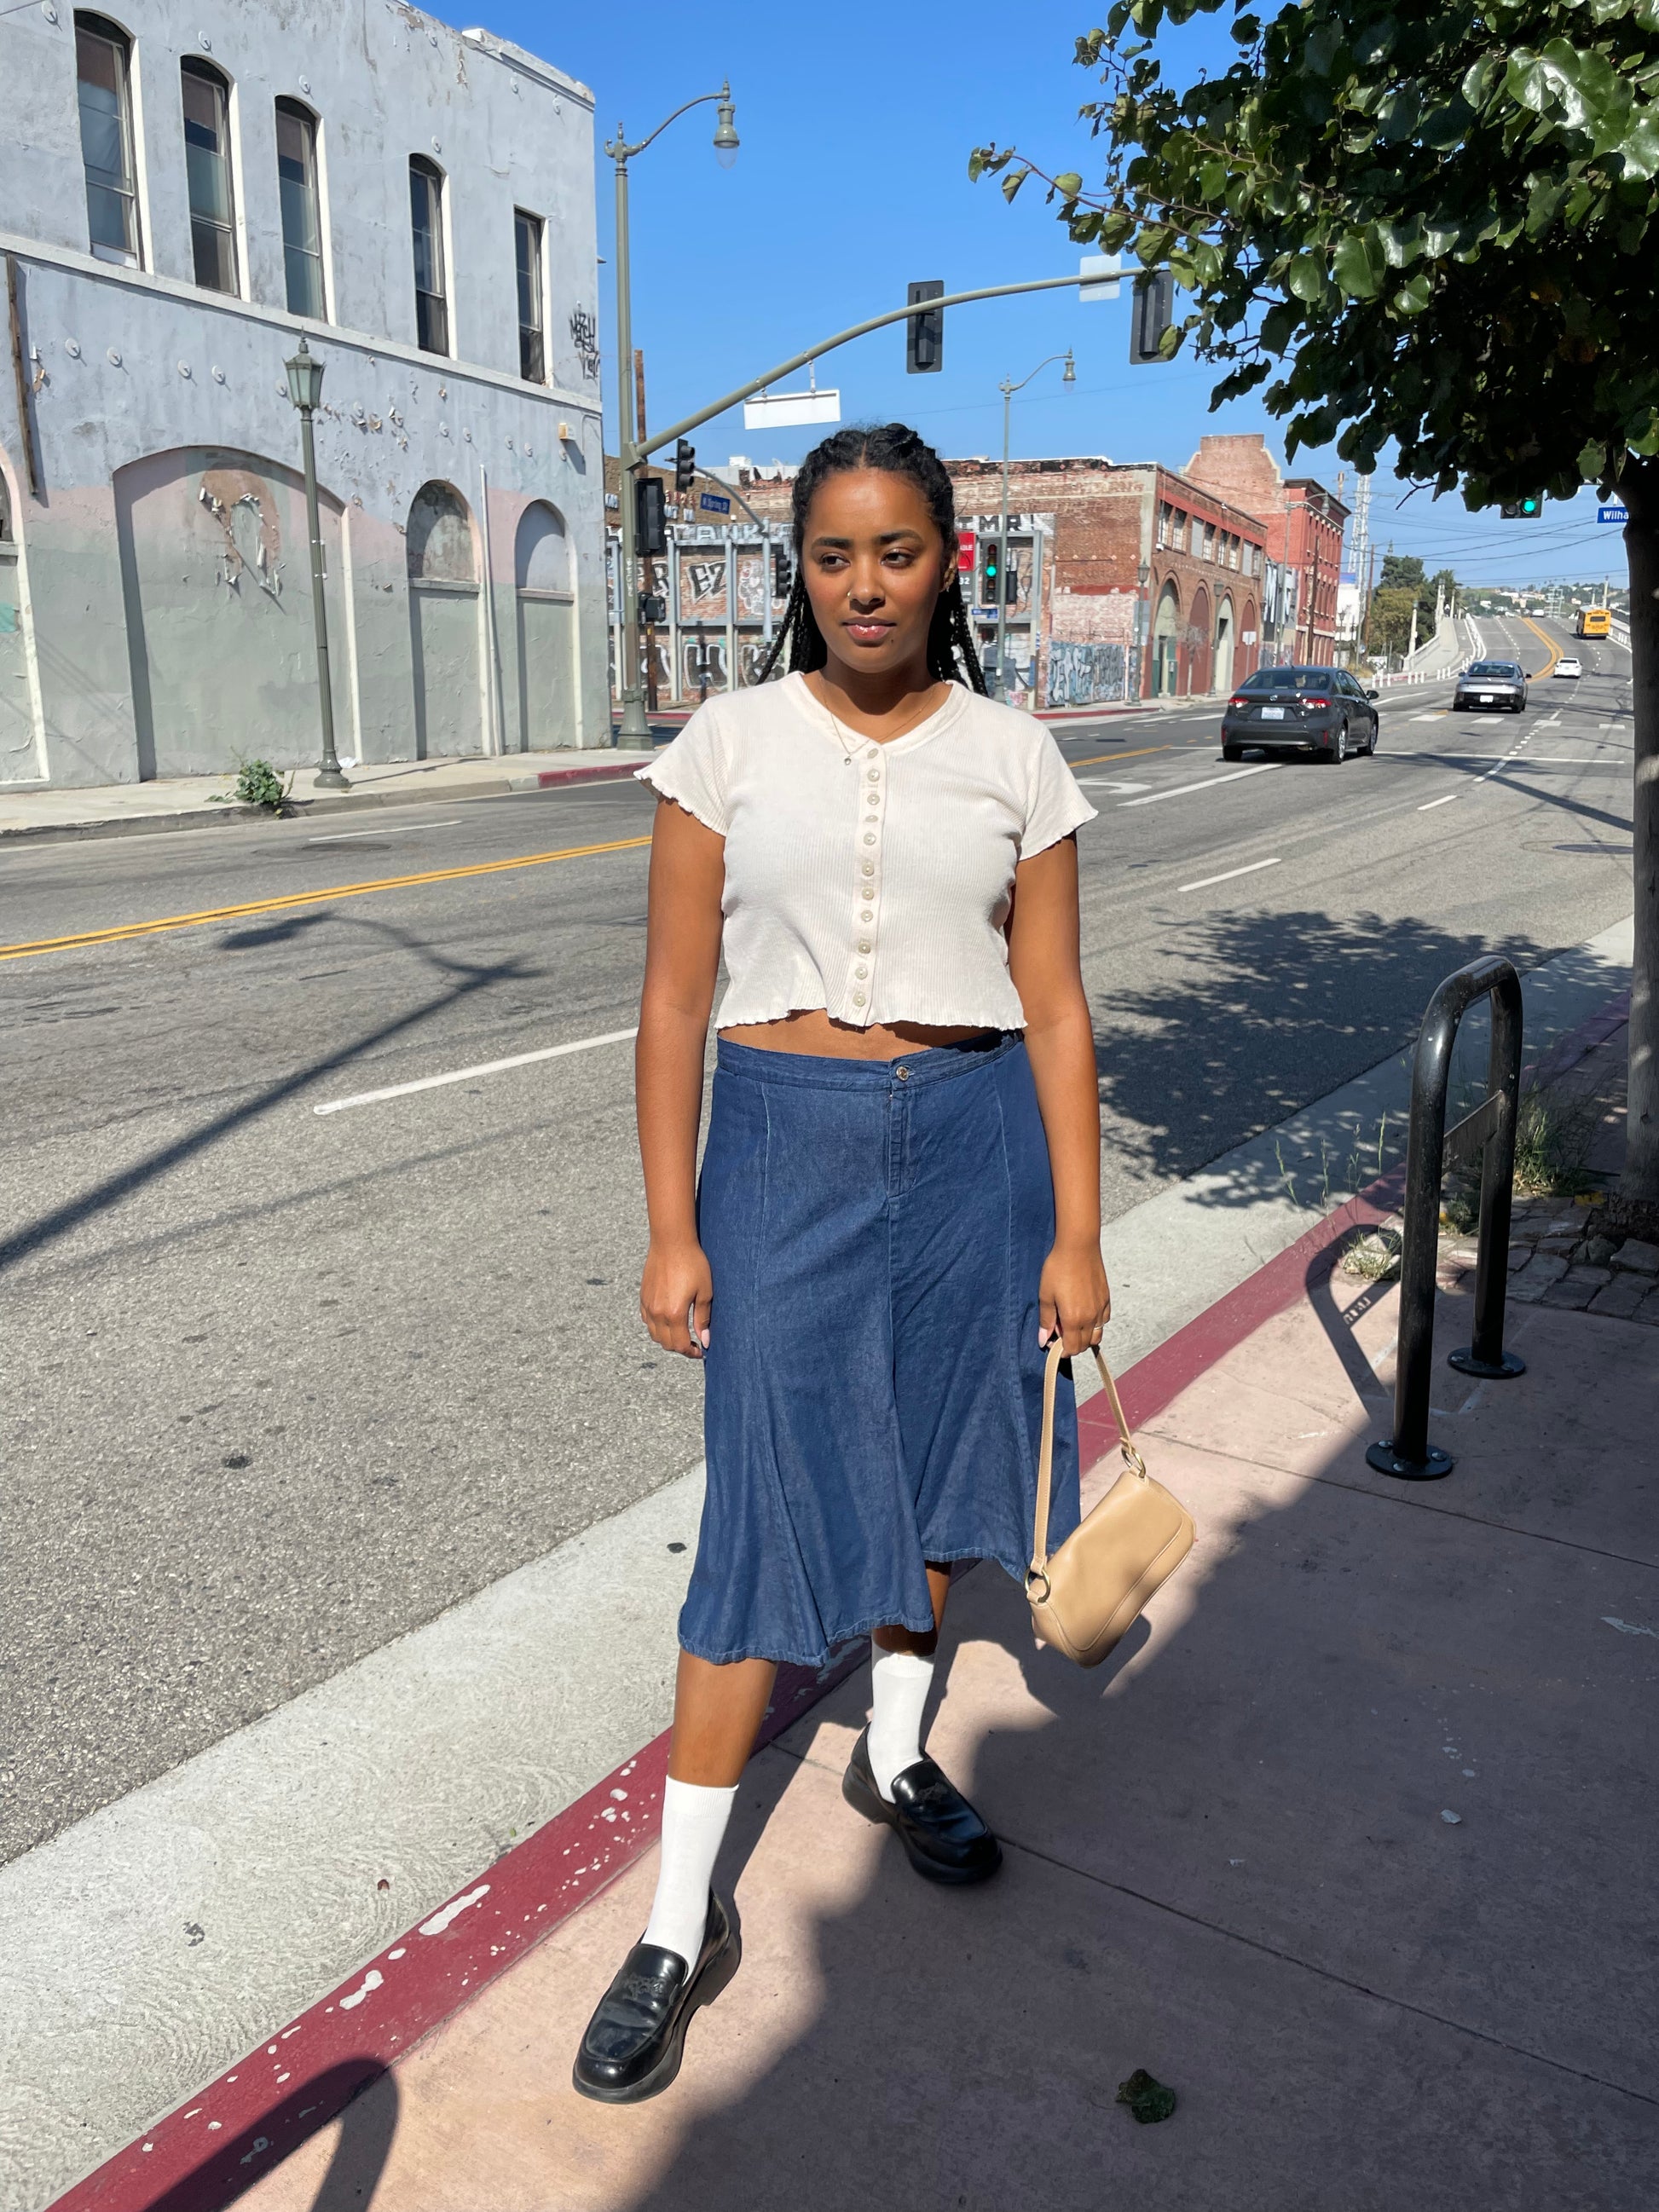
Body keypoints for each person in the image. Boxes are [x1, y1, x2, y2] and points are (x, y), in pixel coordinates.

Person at [573, 424, 1109, 2105]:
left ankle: (889, 1755)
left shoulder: (1019, 756)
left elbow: (1060, 1002)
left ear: (951, 559)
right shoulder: (721, 745)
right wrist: (671, 1223)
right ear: (796, 570)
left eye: (894, 551)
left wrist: (1080, 1230)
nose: (863, 583)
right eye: (831, 555)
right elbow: (670, 1002)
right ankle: (676, 1925)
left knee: (948, 1483)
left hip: (974, 1147)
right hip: (781, 1148)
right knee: (762, 1519)